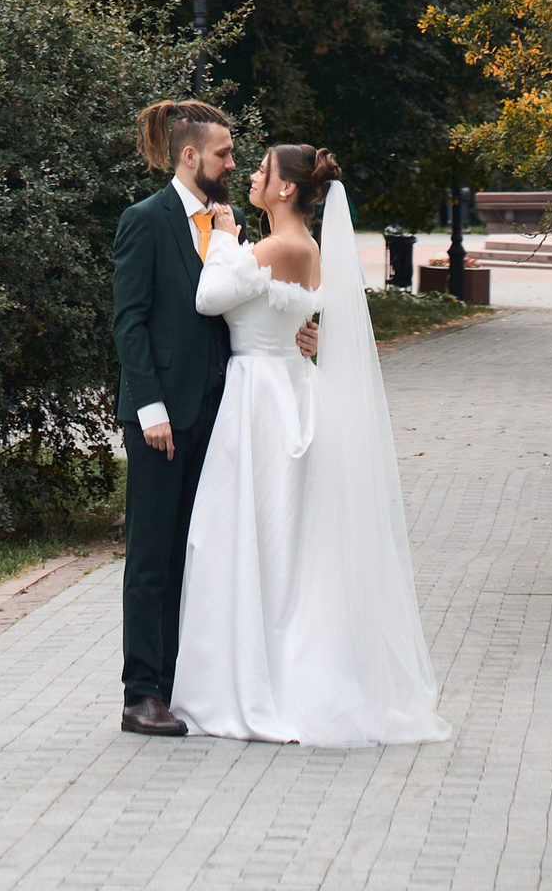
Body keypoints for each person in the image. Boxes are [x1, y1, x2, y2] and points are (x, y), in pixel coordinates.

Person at [170, 142, 449, 747]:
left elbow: (209, 298)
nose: (251, 174)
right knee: (274, 541)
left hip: (264, 398)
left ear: (286, 188)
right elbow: (287, 315)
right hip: (276, 386)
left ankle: (263, 680)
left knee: (262, 540)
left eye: (262, 169)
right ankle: (261, 667)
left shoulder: (280, 245)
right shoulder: (301, 247)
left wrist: (222, 236)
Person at [109, 95, 239, 735]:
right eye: (224, 153)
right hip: (159, 419)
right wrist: (151, 407)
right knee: (153, 557)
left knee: (194, 554)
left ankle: (176, 681)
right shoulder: (145, 219)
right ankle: (141, 696)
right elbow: (128, 323)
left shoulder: (226, 224)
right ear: (191, 156)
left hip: (215, 414)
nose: (232, 164)